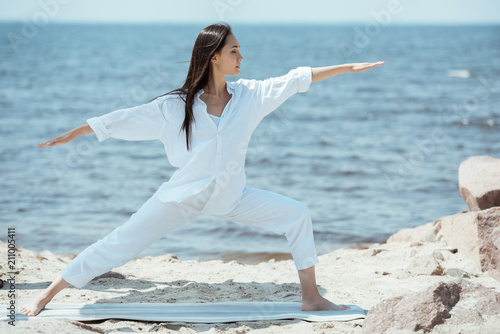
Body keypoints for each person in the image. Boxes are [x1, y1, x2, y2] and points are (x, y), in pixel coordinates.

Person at [20, 22, 384, 316]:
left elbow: (295, 78)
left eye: (239, 49)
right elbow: (123, 120)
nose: (241, 56)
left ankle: (311, 298)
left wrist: (347, 67)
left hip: (232, 196)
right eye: (234, 50)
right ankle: (46, 295)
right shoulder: (176, 106)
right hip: (182, 198)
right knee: (120, 242)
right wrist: (77, 132)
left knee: (297, 215)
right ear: (213, 57)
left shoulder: (250, 96)